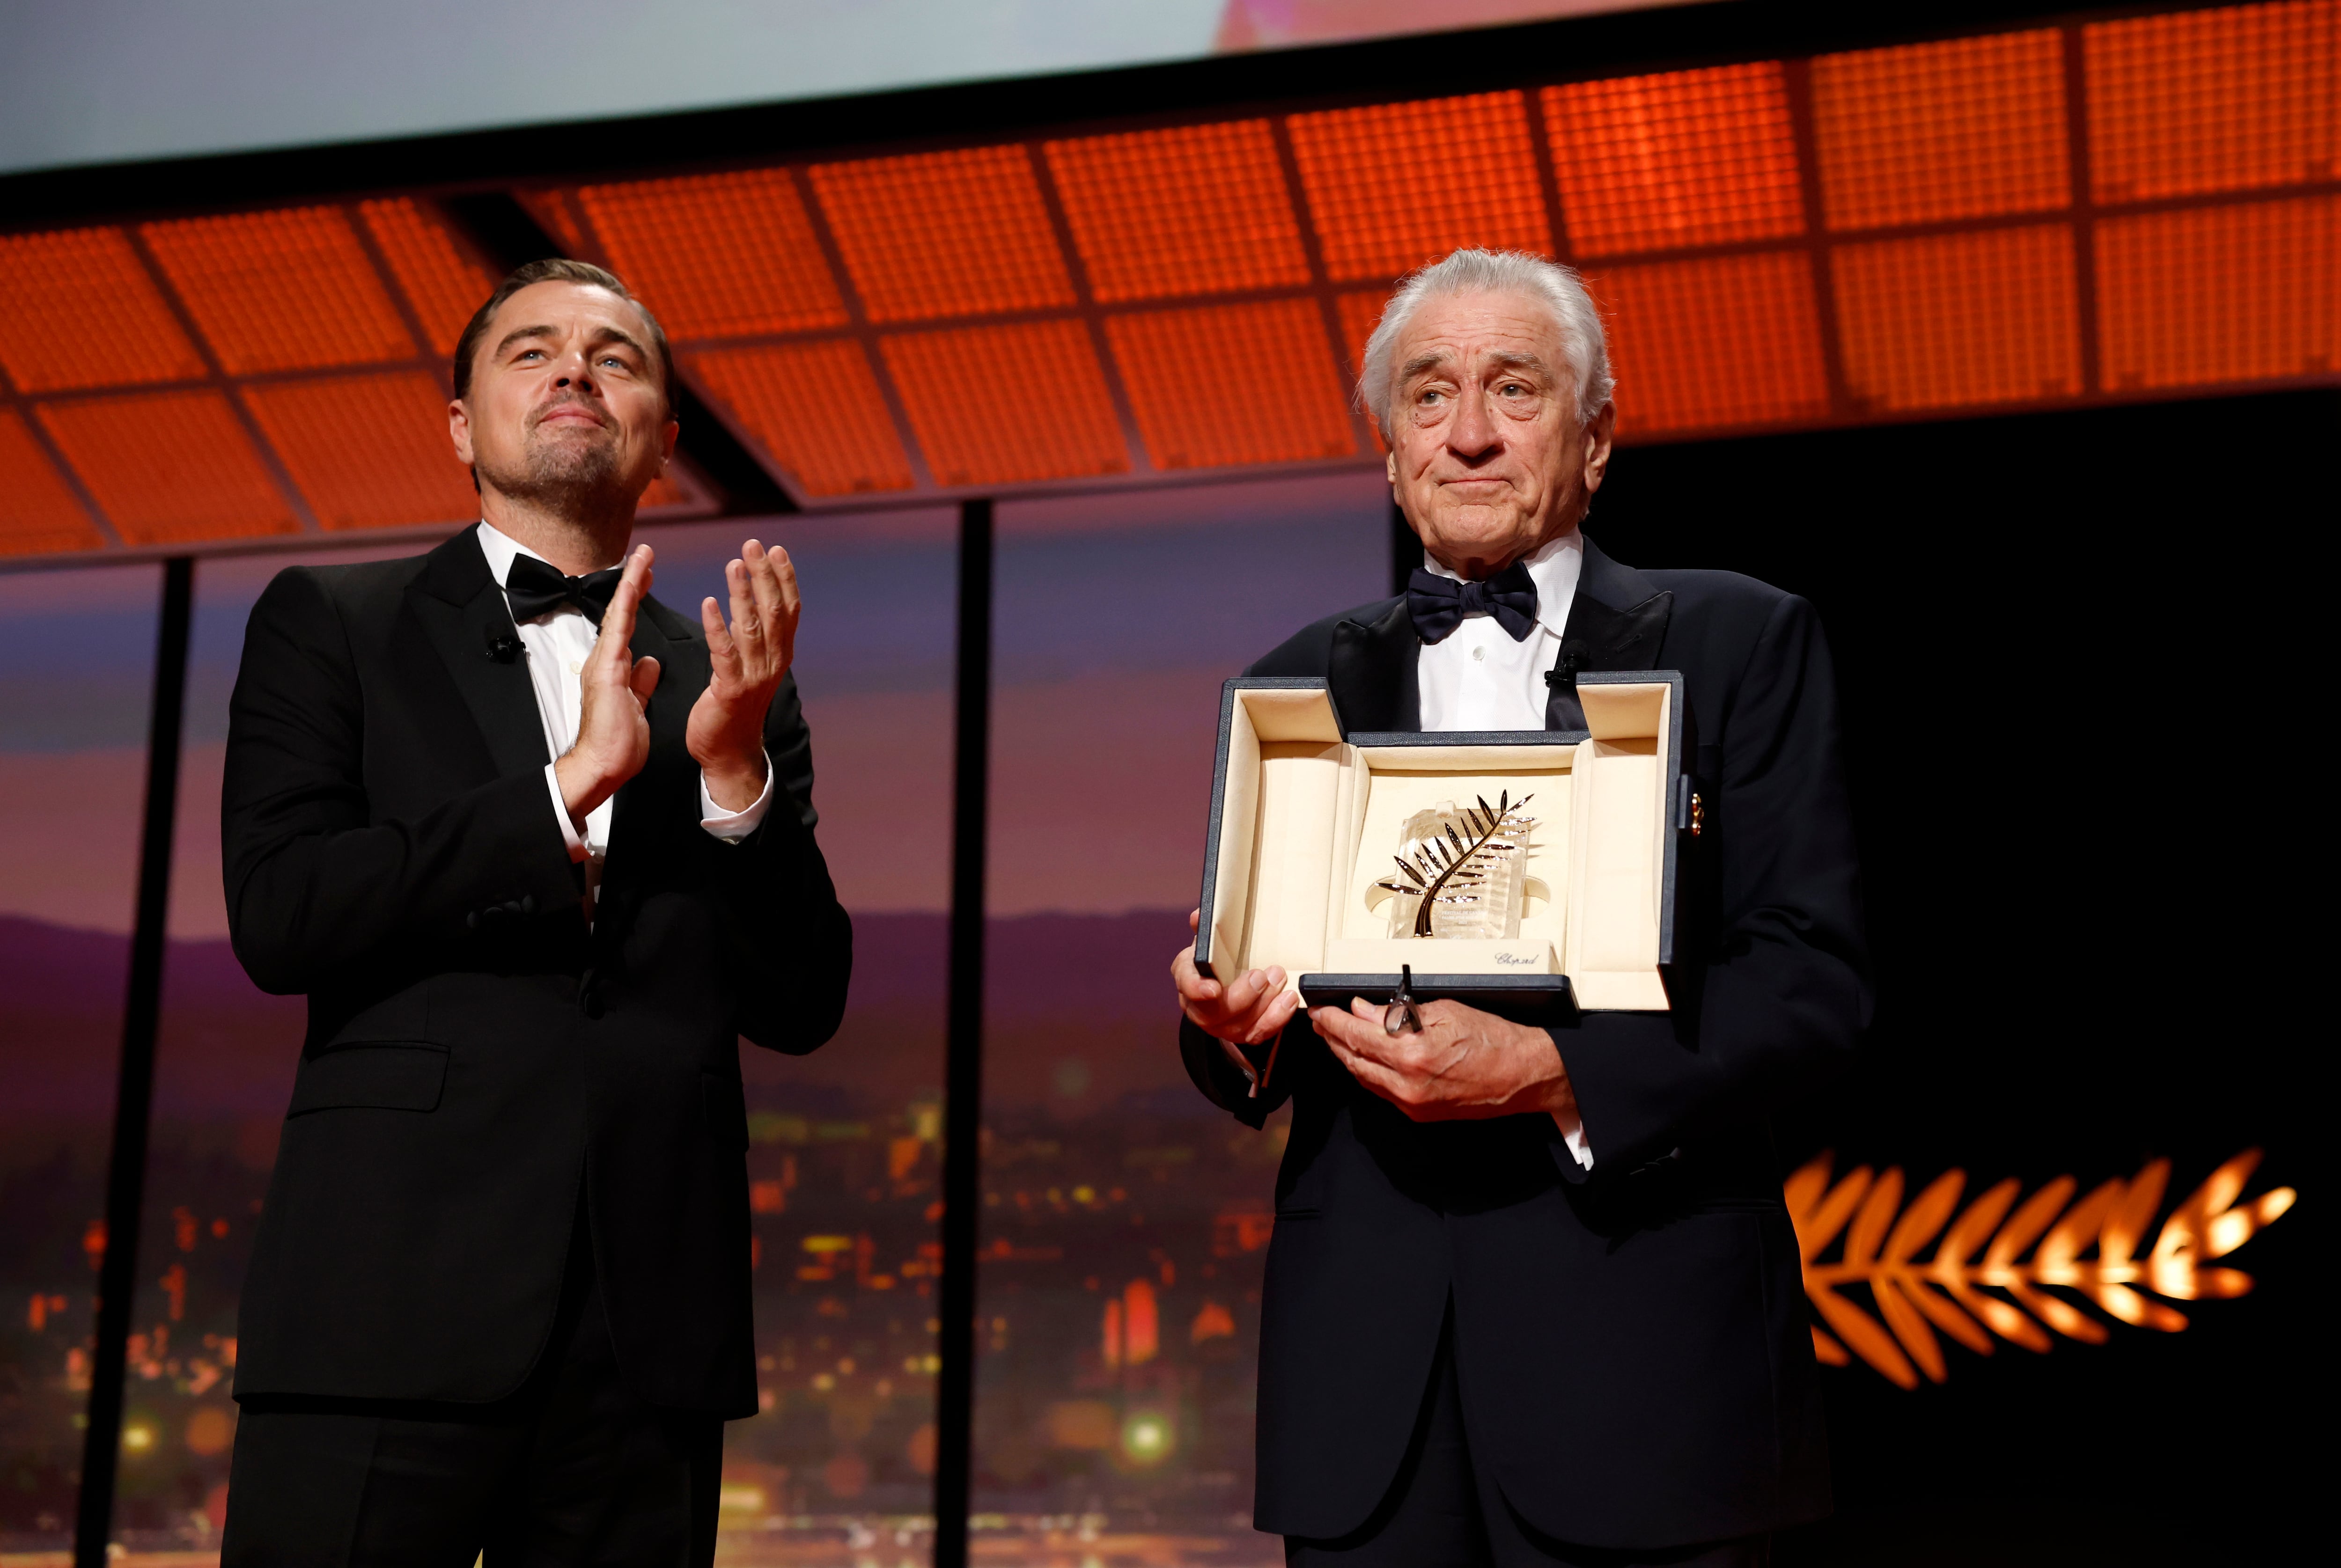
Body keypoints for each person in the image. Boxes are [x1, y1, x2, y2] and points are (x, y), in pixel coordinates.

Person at [1171, 249, 1870, 1567]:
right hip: (1367, 1394)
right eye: (1429, 397)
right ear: (1391, 452)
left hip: (1649, 1372)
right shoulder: (1290, 681)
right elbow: (1239, 1038)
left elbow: (1812, 984)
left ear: (1596, 440)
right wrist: (1227, 1017)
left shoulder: (1738, 640)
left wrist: (1558, 1072)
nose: (1471, 432)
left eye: (1516, 389)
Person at [218, 258, 852, 1564]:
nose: (575, 369)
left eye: (615, 356)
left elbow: (802, 1003)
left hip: (648, 1341)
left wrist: (733, 770)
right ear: (461, 425)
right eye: (531, 351)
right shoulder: (332, 621)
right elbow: (282, 913)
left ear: (665, 440)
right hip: (382, 1311)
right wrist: (560, 793)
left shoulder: (739, 676)